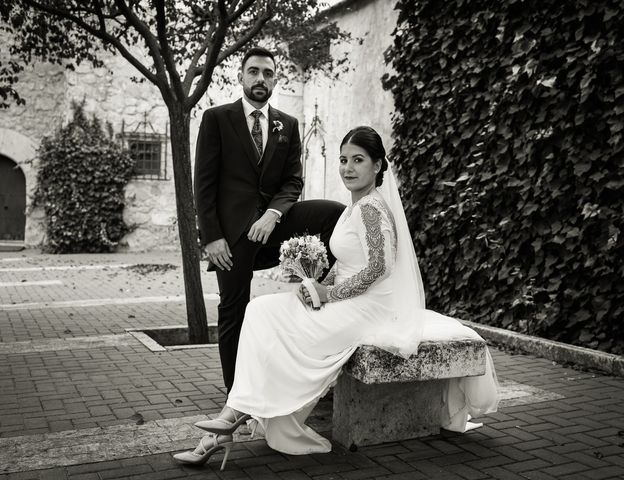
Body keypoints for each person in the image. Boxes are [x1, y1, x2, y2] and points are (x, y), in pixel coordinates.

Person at [175, 126, 499, 468]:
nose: (348, 167)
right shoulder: (354, 206)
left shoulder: (372, 209)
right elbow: (346, 264)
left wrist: (329, 293)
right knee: (259, 311)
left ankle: (229, 421)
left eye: (358, 160)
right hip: (346, 297)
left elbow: (378, 269)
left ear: (377, 166)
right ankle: (234, 415)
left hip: (370, 307)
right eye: (344, 159)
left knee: (276, 325)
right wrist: (313, 284)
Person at [194, 46, 344, 393]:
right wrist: (211, 237)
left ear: (275, 79)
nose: (260, 78)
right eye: (254, 71)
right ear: (241, 76)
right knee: (233, 309)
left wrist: (274, 214)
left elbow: (293, 181)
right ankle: (236, 393)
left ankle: (313, 283)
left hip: (274, 223)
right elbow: (203, 182)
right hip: (231, 236)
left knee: (333, 213)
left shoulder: (287, 125)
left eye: (268, 73)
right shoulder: (217, 119)